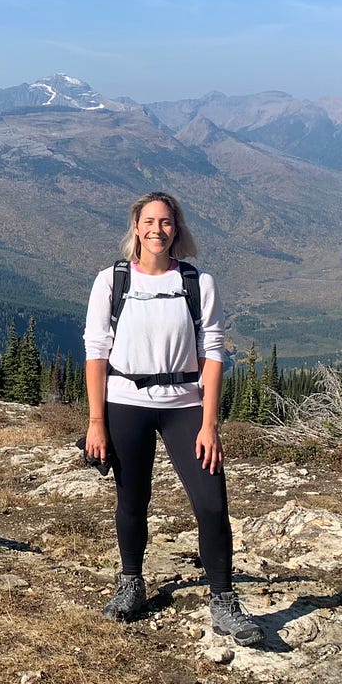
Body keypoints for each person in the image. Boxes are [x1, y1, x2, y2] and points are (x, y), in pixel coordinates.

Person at [82, 192, 262, 646]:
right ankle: (130, 584)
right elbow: (96, 351)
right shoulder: (111, 281)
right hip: (125, 401)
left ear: (176, 229)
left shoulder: (199, 283)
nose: (157, 230)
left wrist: (209, 423)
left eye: (166, 222)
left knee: (211, 502)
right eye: (149, 222)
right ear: (135, 227)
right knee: (132, 499)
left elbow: (213, 353)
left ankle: (223, 600)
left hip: (185, 404)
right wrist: (96, 420)